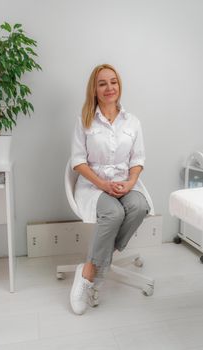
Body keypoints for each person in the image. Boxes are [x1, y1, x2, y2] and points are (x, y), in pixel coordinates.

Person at [70, 63, 151, 315]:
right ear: (94, 89)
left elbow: (138, 160)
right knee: (114, 214)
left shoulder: (132, 121)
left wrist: (129, 182)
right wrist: (102, 183)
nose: (109, 88)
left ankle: (96, 264)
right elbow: (77, 161)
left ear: (119, 86)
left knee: (139, 206)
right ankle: (87, 276)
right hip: (94, 186)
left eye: (113, 82)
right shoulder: (84, 120)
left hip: (125, 184)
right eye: (102, 83)